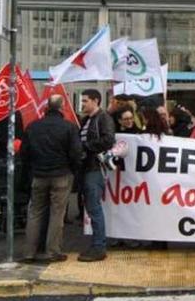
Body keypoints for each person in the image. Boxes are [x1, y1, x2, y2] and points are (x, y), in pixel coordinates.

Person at [20, 95, 83, 263]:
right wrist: (74, 170)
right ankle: (52, 251)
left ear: (47, 108)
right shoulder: (68, 127)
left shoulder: (33, 127)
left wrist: (31, 169)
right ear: (62, 108)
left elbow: (24, 153)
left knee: (35, 212)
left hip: (39, 174)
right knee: (57, 213)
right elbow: (76, 153)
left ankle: (29, 252)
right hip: (61, 174)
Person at [77, 89, 115, 262]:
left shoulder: (103, 118)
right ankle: (97, 244)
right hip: (87, 168)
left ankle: (99, 246)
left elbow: (108, 140)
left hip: (95, 168)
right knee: (92, 208)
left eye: (85, 101)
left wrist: (85, 147)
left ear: (95, 101)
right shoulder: (87, 120)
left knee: (94, 208)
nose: (83, 104)